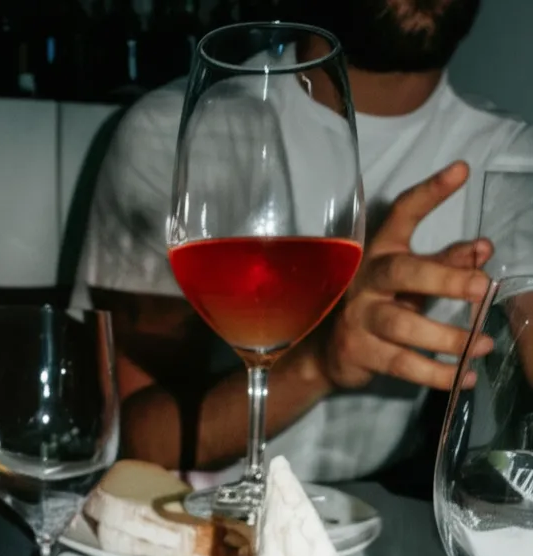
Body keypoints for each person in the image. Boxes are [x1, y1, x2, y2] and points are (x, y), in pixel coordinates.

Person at [71, 0, 533, 483]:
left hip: (374, 511)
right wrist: (319, 361)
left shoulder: (509, 159)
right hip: (181, 508)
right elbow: (127, 435)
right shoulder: (175, 131)